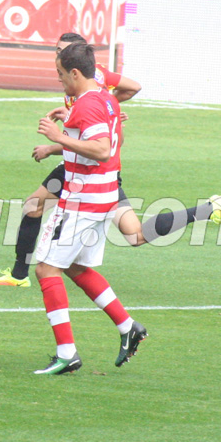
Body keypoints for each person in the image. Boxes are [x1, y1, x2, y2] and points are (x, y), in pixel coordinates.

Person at [0, 32, 221, 287]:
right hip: (94, 171)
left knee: (36, 210)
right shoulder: (84, 90)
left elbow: (101, 143)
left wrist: (58, 141)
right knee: (132, 234)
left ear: (78, 59)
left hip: (90, 174)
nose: (59, 55)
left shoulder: (94, 82)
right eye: (57, 49)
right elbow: (96, 137)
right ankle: (209, 208)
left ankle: (23, 276)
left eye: (64, 51)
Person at [33, 44, 146, 375]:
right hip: (104, 195)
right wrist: (66, 132)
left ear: (75, 73)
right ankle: (128, 327)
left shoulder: (88, 104)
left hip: (82, 200)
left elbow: (99, 149)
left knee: (46, 269)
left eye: (60, 75)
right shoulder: (107, 98)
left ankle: (67, 353)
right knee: (76, 267)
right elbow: (114, 144)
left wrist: (59, 136)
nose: (59, 81)